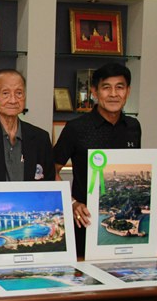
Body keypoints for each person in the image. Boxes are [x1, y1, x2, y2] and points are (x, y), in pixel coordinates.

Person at [53, 62, 141, 257]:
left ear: (128, 91)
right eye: (106, 87)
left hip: (123, 213)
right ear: (94, 92)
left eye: (120, 87)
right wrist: (72, 203)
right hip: (86, 220)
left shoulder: (133, 127)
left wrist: (149, 200)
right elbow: (52, 170)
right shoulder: (76, 128)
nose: (113, 94)